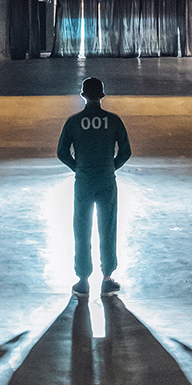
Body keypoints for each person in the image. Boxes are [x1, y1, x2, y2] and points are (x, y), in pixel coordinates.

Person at [57, 77, 131, 298]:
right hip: (107, 181)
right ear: (102, 96)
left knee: (82, 228)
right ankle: (107, 278)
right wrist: (110, 167)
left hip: (84, 182)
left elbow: (62, 152)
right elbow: (125, 152)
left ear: (82, 95)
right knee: (107, 228)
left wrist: (78, 168)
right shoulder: (114, 121)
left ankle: (83, 280)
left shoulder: (73, 122)